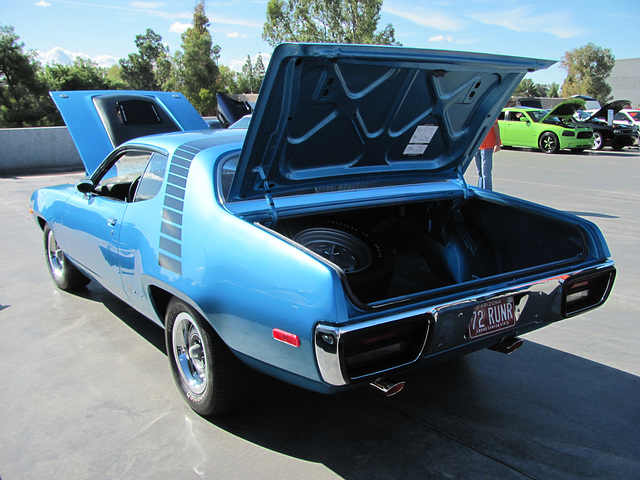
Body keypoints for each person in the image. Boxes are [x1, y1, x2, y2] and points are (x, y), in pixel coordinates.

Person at [474, 120, 501, 190]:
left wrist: (497, 143)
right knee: (479, 172)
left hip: (487, 146)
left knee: (485, 172)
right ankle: (480, 190)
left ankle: (487, 192)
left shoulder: (490, 111)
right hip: (476, 146)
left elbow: (496, 125)